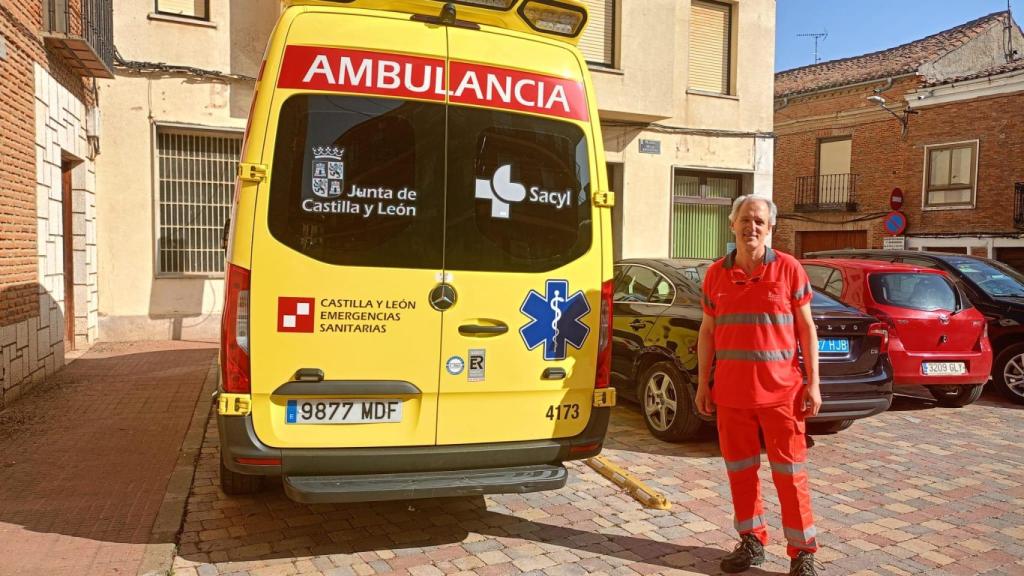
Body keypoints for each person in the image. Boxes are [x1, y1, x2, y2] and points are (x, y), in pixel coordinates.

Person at [696, 195, 822, 576]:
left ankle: (802, 553)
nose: (752, 227)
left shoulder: (789, 269)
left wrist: (814, 383)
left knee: (790, 475)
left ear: (770, 229)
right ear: (732, 224)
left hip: (783, 395)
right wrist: (703, 384)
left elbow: (807, 329)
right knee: (740, 473)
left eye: (759, 222)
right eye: (745, 219)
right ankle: (751, 541)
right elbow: (707, 332)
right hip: (732, 396)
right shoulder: (715, 275)